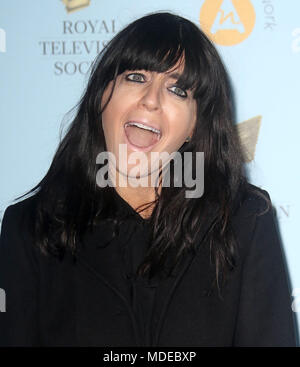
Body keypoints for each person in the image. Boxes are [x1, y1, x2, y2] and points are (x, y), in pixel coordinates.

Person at [0, 12, 298, 347]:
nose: (151, 100)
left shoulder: (244, 220)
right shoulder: (29, 226)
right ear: (102, 96)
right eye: (136, 77)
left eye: (178, 90)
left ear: (194, 127)